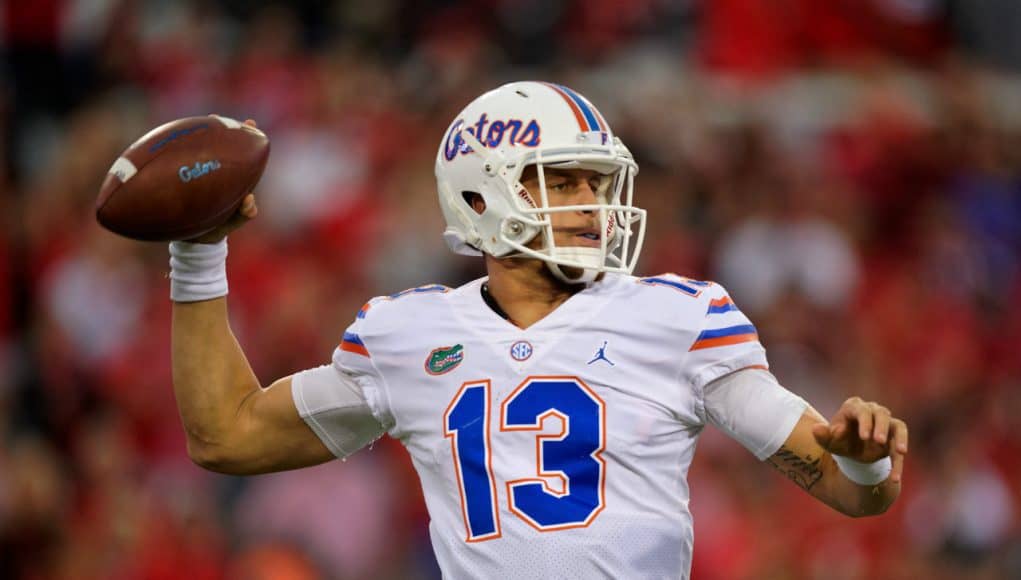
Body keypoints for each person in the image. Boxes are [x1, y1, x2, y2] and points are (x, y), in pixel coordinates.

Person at [168, 81, 908, 578]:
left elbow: (850, 492)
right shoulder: (407, 334)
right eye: (561, 181)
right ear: (481, 195)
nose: (591, 203)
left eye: (595, 182)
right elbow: (225, 437)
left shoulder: (680, 315)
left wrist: (865, 459)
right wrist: (198, 254)